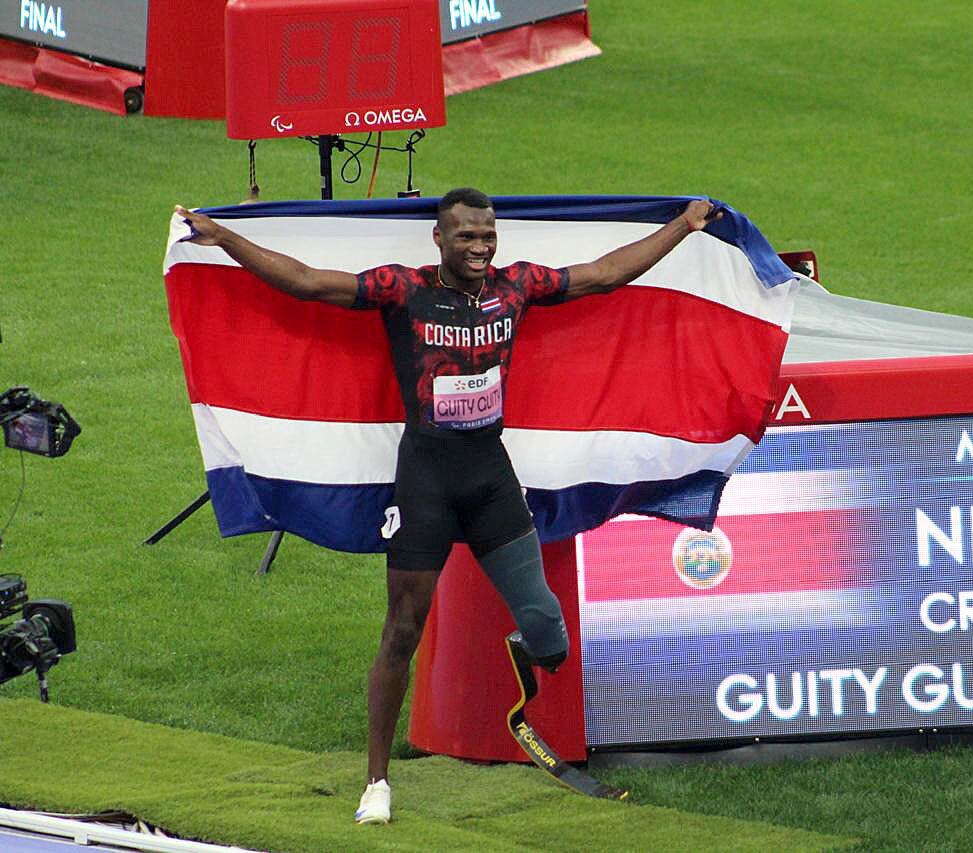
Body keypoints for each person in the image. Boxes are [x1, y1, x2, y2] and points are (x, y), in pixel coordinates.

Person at [174, 188, 721, 824]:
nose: (480, 246)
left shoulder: (515, 288)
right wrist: (229, 240)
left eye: (488, 235)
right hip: (426, 479)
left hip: (489, 474)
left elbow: (603, 274)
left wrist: (683, 225)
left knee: (548, 632)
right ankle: (376, 782)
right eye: (466, 236)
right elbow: (305, 282)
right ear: (439, 238)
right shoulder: (403, 289)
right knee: (402, 631)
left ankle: (527, 652)